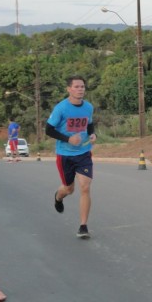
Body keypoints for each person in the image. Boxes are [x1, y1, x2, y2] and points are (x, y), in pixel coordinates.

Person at [46, 76, 97, 239]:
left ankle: (83, 226)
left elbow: (89, 124)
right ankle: (58, 197)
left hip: (83, 153)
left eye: (82, 86)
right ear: (69, 89)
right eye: (76, 86)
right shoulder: (61, 108)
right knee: (69, 189)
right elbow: (49, 129)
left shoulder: (88, 107)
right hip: (65, 155)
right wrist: (68, 139)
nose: (80, 89)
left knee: (85, 187)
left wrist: (92, 134)